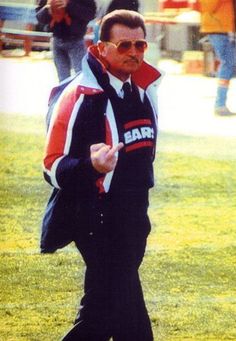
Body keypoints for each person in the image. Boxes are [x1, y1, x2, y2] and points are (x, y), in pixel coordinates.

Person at [42, 9, 161, 340]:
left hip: (134, 218)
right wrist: (90, 167)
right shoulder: (80, 95)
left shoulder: (145, 90)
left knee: (102, 311)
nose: (134, 53)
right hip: (95, 218)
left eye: (140, 45)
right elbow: (51, 165)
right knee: (126, 316)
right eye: (124, 45)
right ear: (99, 47)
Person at [35, 0, 96, 82]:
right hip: (57, 39)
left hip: (76, 40)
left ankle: (82, 94)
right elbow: (39, 17)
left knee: (82, 76)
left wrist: (69, 5)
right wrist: (48, 9)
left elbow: (90, 14)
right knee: (63, 80)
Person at [199, 0, 236, 116]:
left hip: (225, 28)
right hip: (219, 28)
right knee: (228, 64)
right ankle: (220, 104)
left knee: (228, 64)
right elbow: (209, 6)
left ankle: (220, 104)